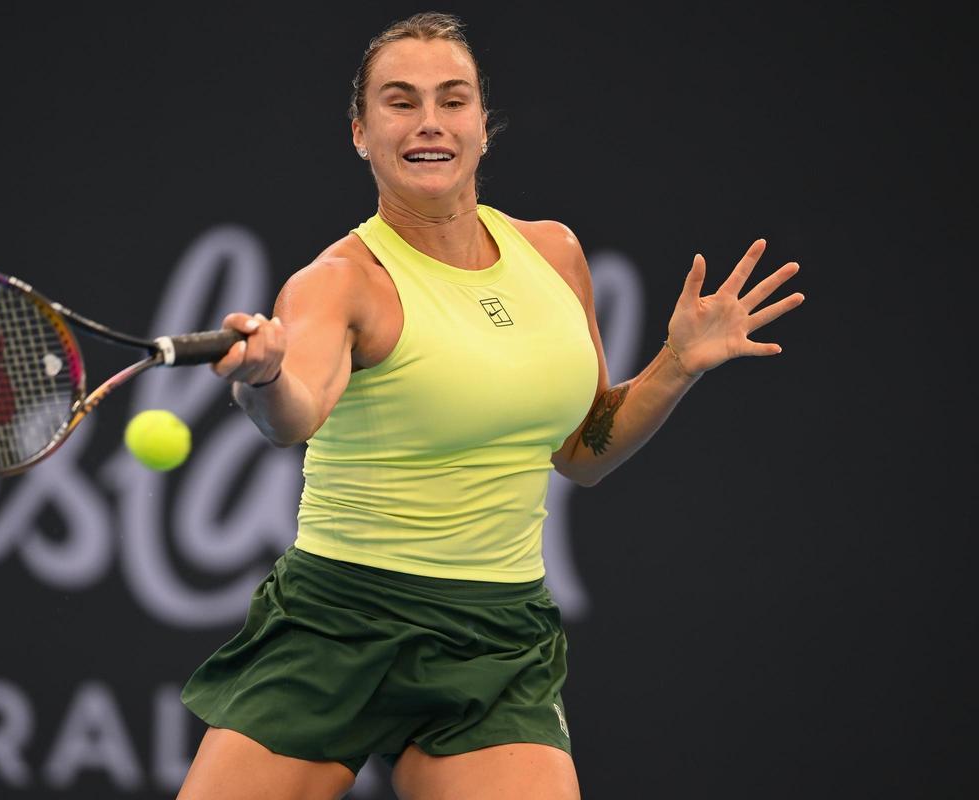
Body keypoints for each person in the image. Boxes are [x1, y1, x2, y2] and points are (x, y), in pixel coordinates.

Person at [177, 12, 803, 800]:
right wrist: (264, 376)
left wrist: (676, 364)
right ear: (361, 133)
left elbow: (583, 453)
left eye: (453, 99)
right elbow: (295, 415)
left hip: (495, 639)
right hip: (336, 624)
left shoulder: (553, 254)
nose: (430, 123)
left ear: (483, 124)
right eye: (400, 102)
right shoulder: (339, 281)